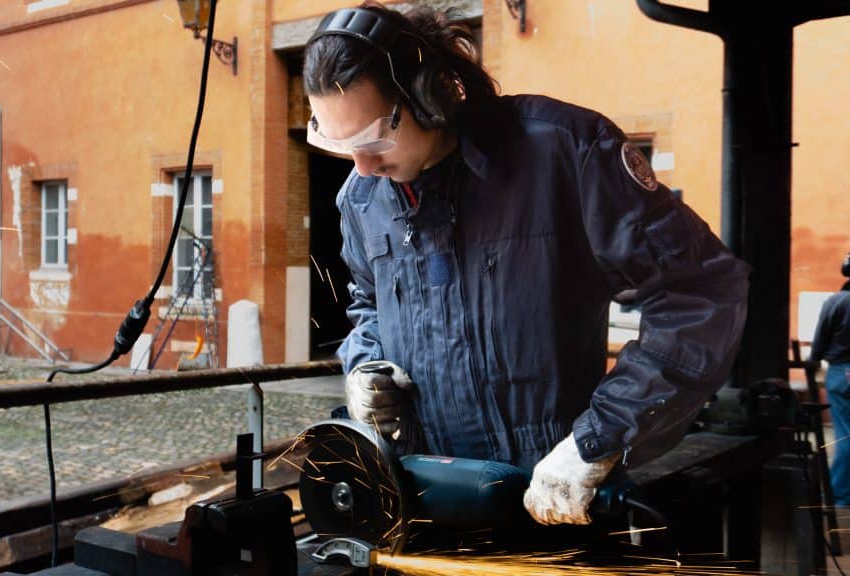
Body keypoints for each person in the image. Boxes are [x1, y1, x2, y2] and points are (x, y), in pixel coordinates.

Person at [302, 3, 750, 526]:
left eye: (375, 137)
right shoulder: (362, 199)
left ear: (430, 97)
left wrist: (598, 440)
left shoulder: (562, 151)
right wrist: (365, 365)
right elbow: (368, 303)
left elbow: (699, 294)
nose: (362, 165)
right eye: (341, 145)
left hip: (555, 494)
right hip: (427, 496)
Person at [811, 252, 850, 506]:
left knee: (845, 435)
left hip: (842, 373)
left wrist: (814, 361)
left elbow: (819, 343)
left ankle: (840, 494)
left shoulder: (836, 302)